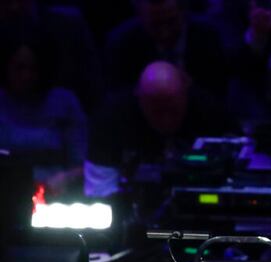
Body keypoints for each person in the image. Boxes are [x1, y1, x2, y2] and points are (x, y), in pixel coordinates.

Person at [84, 61, 233, 198]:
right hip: (132, 208)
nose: (166, 120)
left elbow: (234, 177)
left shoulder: (212, 115)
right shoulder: (110, 120)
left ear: (185, 95)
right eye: (157, 111)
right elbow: (100, 191)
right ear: (140, 99)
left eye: (173, 110)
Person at [0, 30, 87, 197]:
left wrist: (66, 177)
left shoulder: (64, 102)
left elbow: (83, 164)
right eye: (19, 68)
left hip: (54, 195)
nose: (26, 76)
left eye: (33, 68)